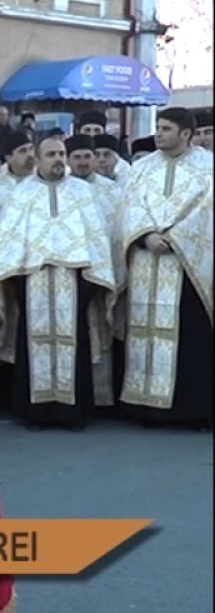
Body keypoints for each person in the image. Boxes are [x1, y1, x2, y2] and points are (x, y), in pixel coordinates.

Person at [0, 134, 117, 432]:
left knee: (76, 344)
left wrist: (92, 277)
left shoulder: (82, 192)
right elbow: (10, 239)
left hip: (74, 279)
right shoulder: (22, 194)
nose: (58, 159)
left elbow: (96, 237)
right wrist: (14, 276)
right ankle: (37, 414)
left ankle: (74, 413)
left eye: (61, 154)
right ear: (38, 159)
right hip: (33, 280)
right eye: (51, 154)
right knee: (34, 345)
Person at [115, 108, 214, 428]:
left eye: (166, 128)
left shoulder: (208, 168)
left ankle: (193, 410)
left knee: (191, 336)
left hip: (190, 265)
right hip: (147, 262)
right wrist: (146, 236)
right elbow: (129, 208)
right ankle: (147, 408)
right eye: (158, 127)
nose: (158, 133)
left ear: (186, 133)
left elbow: (207, 212)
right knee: (144, 332)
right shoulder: (141, 169)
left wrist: (175, 237)